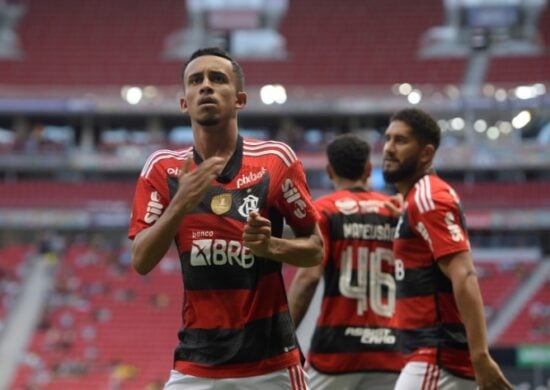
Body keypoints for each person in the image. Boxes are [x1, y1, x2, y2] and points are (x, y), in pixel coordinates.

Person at [128, 47, 324, 389]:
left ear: (239, 99)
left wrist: (272, 246)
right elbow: (142, 261)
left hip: (272, 364)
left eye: (218, 79)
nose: (206, 86)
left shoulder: (276, 160)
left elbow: (316, 250)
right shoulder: (161, 168)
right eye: (196, 80)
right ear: (184, 102)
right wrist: (180, 204)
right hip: (196, 364)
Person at [382, 108, 513, 389]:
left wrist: (480, 356)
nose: (388, 148)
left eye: (400, 141)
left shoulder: (429, 199)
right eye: (388, 139)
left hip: (437, 357)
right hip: (432, 357)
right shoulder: (417, 199)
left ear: (426, 154)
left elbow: (464, 275)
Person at [287, 133, 403, 390]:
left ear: (329, 171)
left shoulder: (325, 210)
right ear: (368, 169)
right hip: (392, 348)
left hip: (336, 351)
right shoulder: (396, 211)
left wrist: (284, 335)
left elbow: (309, 277)